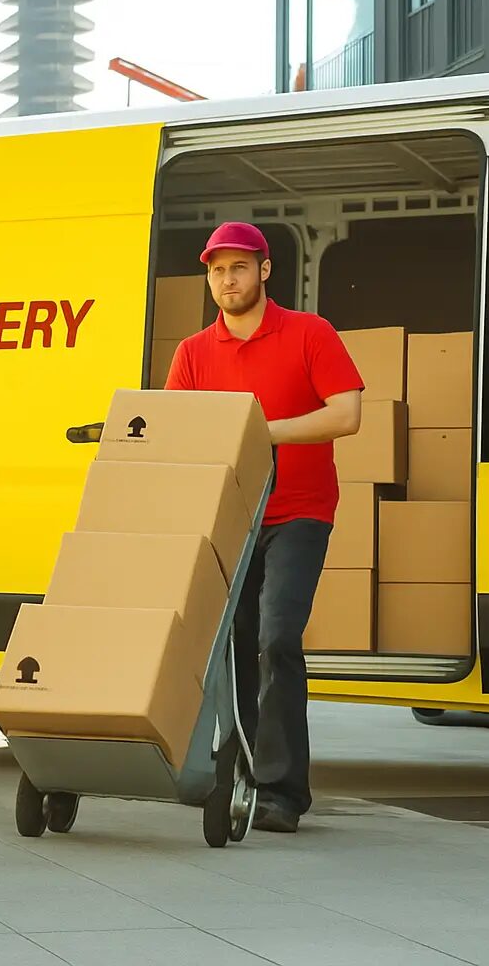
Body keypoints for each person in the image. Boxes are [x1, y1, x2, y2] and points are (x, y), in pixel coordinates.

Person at [164, 221, 364, 833]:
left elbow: (347, 415)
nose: (229, 279)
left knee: (277, 636)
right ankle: (243, 774)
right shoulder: (193, 352)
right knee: (235, 647)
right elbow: (177, 430)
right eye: (218, 270)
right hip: (231, 518)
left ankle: (282, 792)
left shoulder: (309, 333)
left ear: (265, 270)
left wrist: (261, 433)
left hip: (299, 512)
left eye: (240, 268)